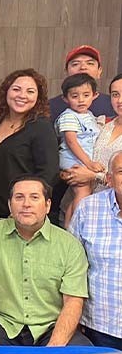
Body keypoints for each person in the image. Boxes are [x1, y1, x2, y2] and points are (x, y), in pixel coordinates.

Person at [0, 176, 91, 347]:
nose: (26, 204)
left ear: (48, 205)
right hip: (2, 322)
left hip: (50, 327)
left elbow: (73, 300)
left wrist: (56, 345)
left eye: (34, 197)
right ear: (10, 205)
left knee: (83, 352)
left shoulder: (69, 244)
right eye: (19, 197)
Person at [0, 69, 58, 224]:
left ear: (38, 97)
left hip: (21, 214)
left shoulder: (41, 127)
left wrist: (26, 204)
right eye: (16, 89)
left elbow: (49, 172)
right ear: (6, 92)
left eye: (30, 91)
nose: (22, 96)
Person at [50, 45, 114, 226]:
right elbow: (63, 143)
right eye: (76, 63)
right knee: (80, 197)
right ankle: (73, 230)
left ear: (100, 71)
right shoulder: (53, 107)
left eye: (90, 63)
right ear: (67, 71)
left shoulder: (112, 104)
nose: (83, 67)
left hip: (105, 193)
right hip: (66, 181)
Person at [69, 151, 122, 350]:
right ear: (108, 179)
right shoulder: (88, 209)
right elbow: (71, 266)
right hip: (99, 327)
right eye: (121, 171)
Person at [56, 73, 102, 227]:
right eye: (75, 96)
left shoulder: (89, 115)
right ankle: (76, 228)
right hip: (73, 159)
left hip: (82, 160)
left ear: (95, 96)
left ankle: (69, 228)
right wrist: (89, 163)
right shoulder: (68, 116)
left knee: (79, 194)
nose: (81, 100)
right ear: (65, 98)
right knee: (83, 191)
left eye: (86, 95)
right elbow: (71, 141)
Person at [63, 73, 122, 193]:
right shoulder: (101, 123)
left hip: (111, 206)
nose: (120, 100)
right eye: (115, 94)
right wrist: (67, 171)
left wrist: (94, 176)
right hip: (77, 198)